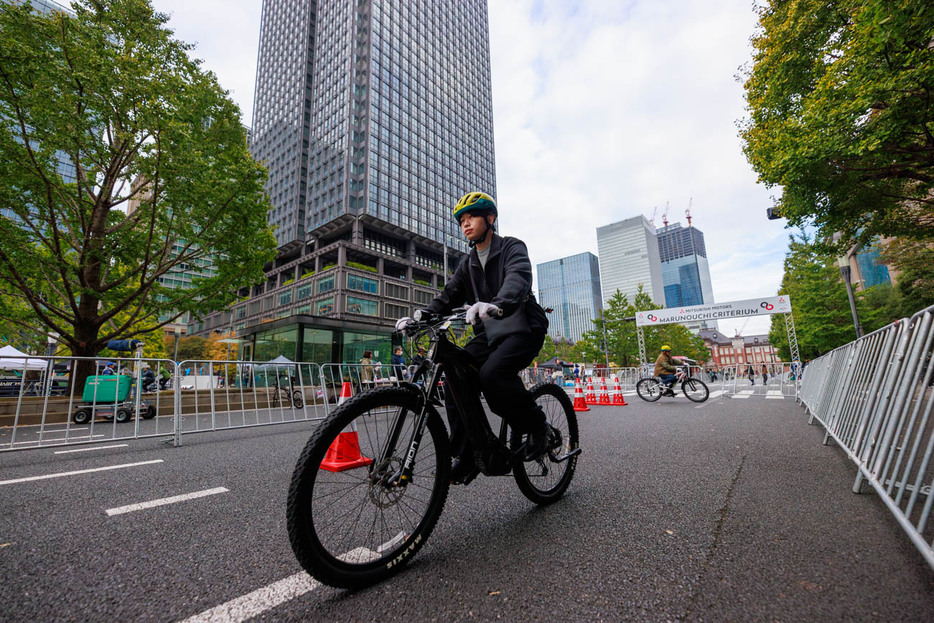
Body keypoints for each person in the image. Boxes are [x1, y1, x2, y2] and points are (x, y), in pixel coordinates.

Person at [394, 191, 550, 484]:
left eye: (472, 217)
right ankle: (466, 456)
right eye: (462, 220)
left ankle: (537, 424)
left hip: (522, 327)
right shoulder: (467, 263)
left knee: (492, 375)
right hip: (489, 333)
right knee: (454, 377)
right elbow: (449, 294)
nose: (465, 224)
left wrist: (498, 303)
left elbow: (518, 277)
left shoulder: (511, 247)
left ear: (490, 219)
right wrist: (421, 317)